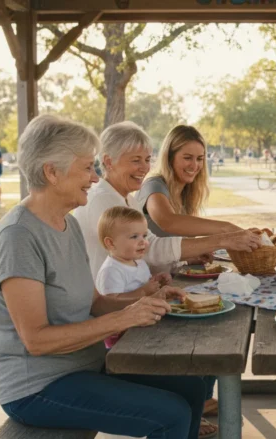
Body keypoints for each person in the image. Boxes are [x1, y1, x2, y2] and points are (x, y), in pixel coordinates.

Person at [0, 114, 208, 439]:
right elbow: (36, 340)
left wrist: (146, 299)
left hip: (85, 366)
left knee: (192, 386)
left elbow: (96, 302)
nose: (94, 178)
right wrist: (124, 319)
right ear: (52, 172)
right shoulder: (18, 236)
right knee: (171, 414)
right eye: (87, 167)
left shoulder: (68, 222)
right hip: (36, 386)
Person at [73, 121, 260, 280]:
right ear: (108, 162)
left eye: (147, 160)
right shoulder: (103, 198)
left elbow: (147, 248)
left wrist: (181, 260)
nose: (144, 168)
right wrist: (223, 239)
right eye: (136, 160)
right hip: (108, 304)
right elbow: (149, 249)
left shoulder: (128, 199)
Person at [137, 125, 243, 238]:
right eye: (187, 158)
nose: (194, 165)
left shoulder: (186, 193)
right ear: (169, 158)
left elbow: (178, 245)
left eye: (199, 159)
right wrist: (227, 228)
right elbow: (169, 222)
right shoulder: (153, 185)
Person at [95, 206, 172, 349]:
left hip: (141, 323)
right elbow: (111, 304)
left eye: (144, 235)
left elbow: (144, 283)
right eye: (134, 237)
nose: (143, 241)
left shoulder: (139, 262)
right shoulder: (112, 270)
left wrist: (157, 280)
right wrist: (143, 291)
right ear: (111, 243)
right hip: (121, 337)